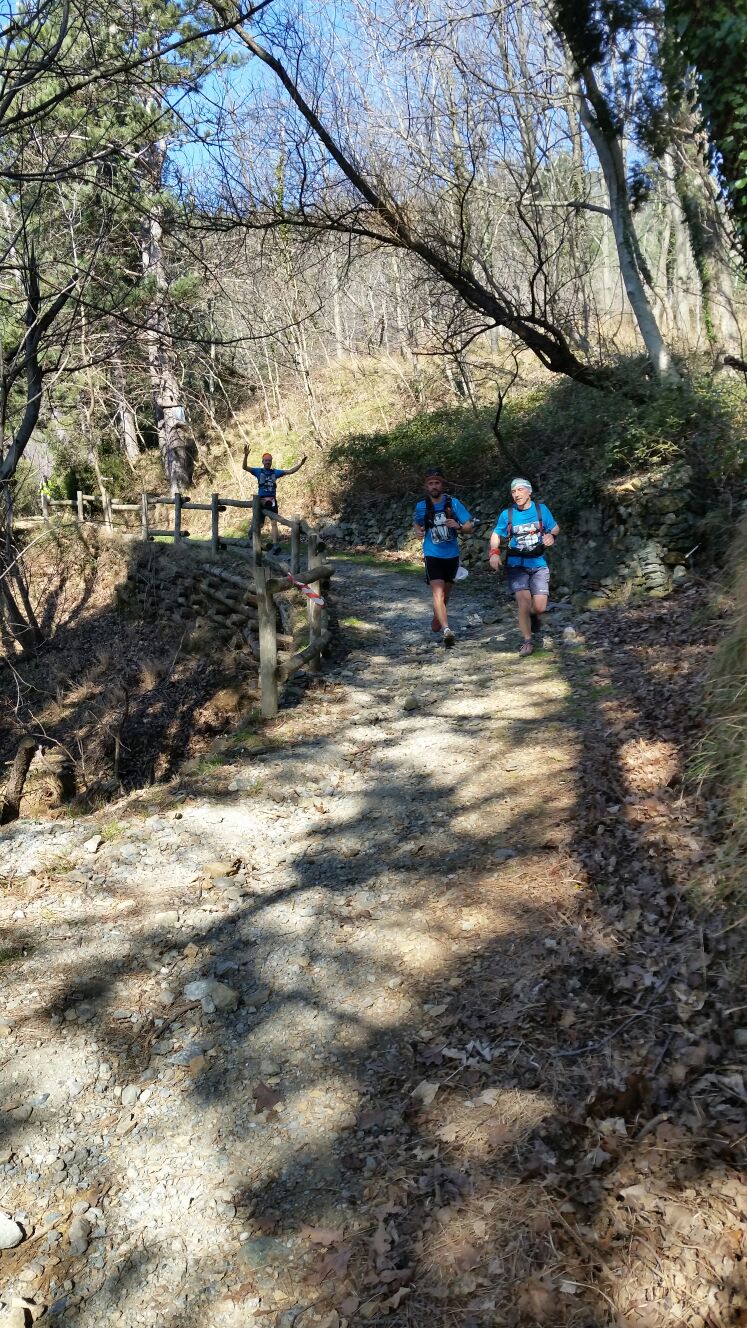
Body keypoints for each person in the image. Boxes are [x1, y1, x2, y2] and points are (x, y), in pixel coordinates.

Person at [489, 478, 559, 657]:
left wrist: (551, 536)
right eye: (513, 492)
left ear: (529, 492)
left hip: (538, 564)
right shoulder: (508, 514)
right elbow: (496, 534)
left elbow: (555, 528)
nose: (516, 494)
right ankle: (527, 641)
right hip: (516, 564)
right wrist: (494, 553)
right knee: (523, 602)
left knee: (540, 607)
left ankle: (533, 616)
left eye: (520, 490)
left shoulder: (541, 510)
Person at [413, 468, 474, 648]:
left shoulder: (454, 504)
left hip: (452, 555)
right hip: (432, 554)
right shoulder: (421, 506)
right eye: (430, 483)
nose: (434, 486)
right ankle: (447, 630)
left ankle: (438, 617)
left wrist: (459, 526)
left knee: (445, 595)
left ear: (442, 484)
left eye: (437, 482)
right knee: (437, 593)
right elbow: (417, 522)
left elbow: (469, 526)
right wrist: (417, 530)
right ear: (426, 486)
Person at [242, 447, 307, 553]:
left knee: (274, 523)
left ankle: (276, 545)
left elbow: (290, 471)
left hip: (272, 501)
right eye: (266, 460)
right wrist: (246, 455)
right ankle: (254, 538)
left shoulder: (275, 472)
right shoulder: (258, 471)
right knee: (260, 524)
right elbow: (244, 467)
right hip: (260, 501)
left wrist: (301, 464)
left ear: (271, 462)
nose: (267, 462)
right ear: (262, 462)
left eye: (269, 460)